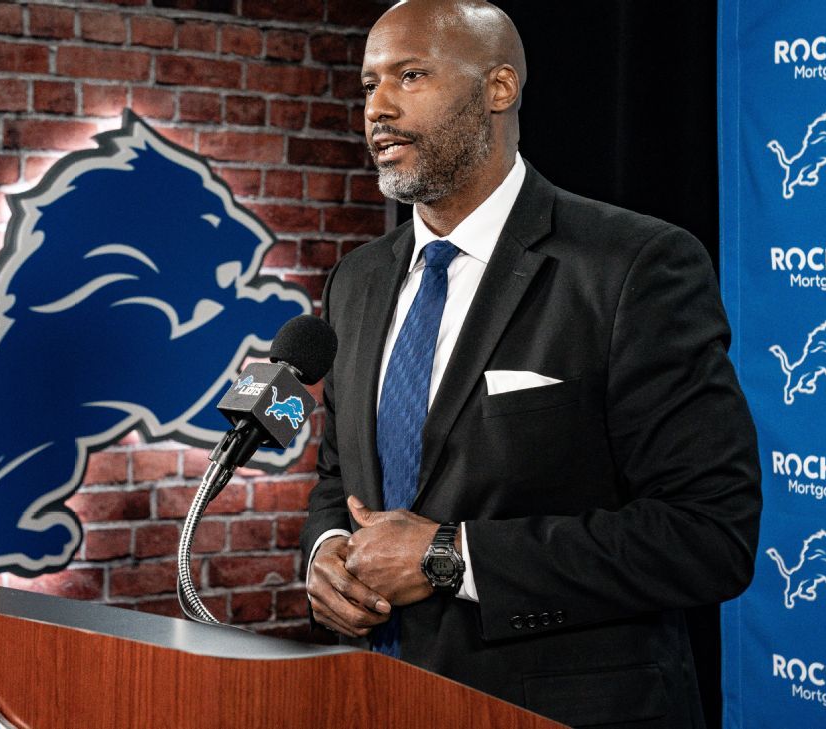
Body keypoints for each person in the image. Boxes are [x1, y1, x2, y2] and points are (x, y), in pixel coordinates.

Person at [300, 1, 761, 727]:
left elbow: (708, 535)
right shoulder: (354, 281)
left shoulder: (633, 265)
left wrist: (450, 557)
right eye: (368, 85)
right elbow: (340, 476)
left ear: (499, 87)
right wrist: (328, 551)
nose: (377, 108)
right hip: (376, 699)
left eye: (410, 76)